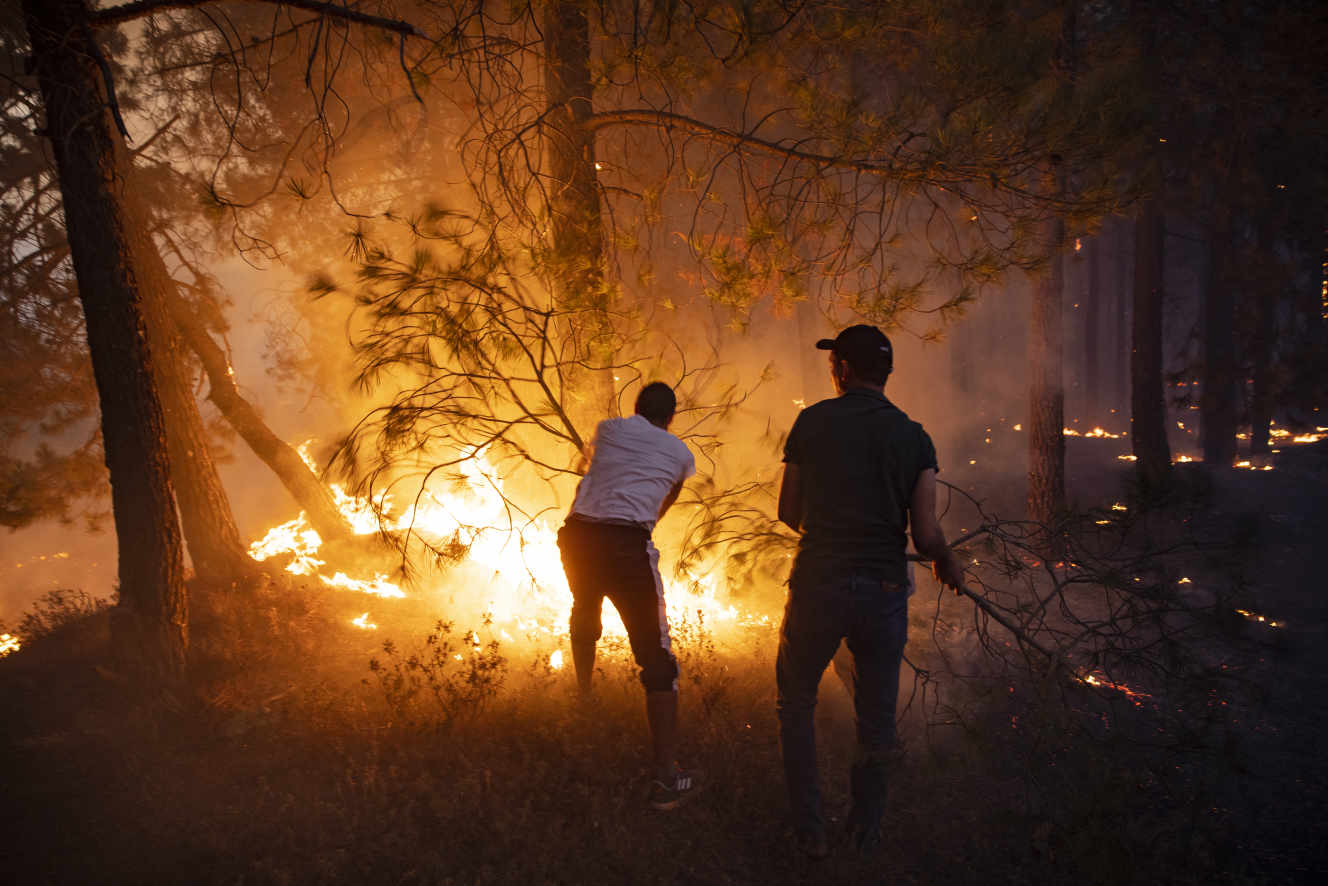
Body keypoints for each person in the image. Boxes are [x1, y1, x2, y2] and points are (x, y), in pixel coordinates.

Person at [776, 324, 965, 857]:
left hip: (819, 582)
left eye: (833, 362)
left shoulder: (812, 422)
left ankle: (809, 830)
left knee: (796, 704)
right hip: (883, 589)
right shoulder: (914, 436)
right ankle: (865, 830)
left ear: (843, 369)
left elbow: (789, 511)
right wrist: (946, 559)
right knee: (877, 720)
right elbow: (926, 535)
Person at [557, 381, 701, 810]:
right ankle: (665, 779)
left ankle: (584, 696)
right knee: (658, 662)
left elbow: (587, 468)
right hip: (626, 545)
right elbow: (665, 499)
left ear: (635, 408)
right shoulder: (680, 454)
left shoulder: (607, 428)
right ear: (671, 417)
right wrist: (640, 520)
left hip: (576, 535)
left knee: (585, 605)